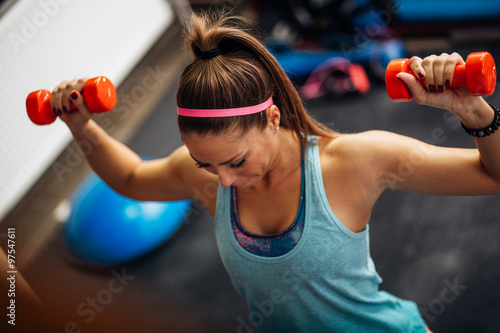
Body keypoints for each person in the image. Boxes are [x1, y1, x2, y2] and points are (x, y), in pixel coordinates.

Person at [49, 11, 500, 333]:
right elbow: (129, 179)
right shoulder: (206, 175)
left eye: (236, 161)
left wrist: (474, 112)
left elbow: (492, 177)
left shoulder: (355, 161)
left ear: (272, 118)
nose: (220, 181)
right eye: (207, 164)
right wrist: (79, 124)